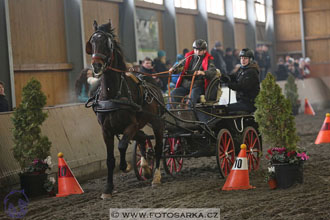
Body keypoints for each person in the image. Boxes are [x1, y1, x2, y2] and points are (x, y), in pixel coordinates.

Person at [169, 39, 217, 107]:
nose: (197, 52)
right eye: (196, 49)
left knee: (192, 98)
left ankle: (190, 114)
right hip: (185, 86)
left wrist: (203, 72)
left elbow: (213, 71)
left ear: (205, 50)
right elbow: (180, 65)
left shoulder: (209, 60)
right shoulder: (189, 57)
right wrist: (173, 69)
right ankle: (170, 114)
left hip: (197, 86)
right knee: (173, 94)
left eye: (200, 50)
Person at [221, 48, 260, 113]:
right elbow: (234, 76)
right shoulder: (242, 69)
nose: (243, 60)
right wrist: (224, 77)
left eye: (245, 58)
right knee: (224, 108)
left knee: (226, 108)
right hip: (242, 101)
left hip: (249, 103)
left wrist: (228, 83)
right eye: (241, 58)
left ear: (250, 59)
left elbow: (241, 87)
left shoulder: (252, 72)